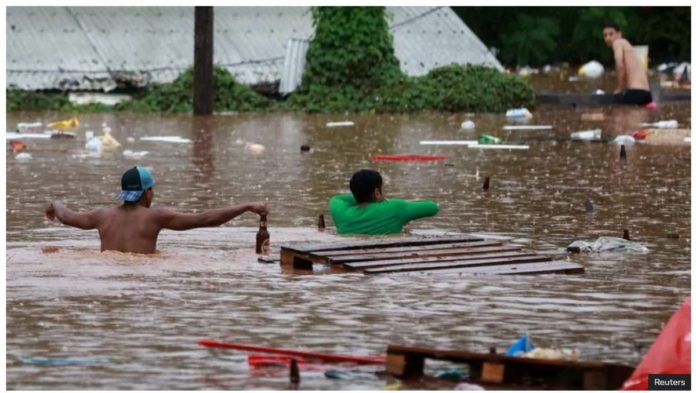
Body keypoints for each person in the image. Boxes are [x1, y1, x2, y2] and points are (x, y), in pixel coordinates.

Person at [45, 166, 268, 254]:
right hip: (144, 274)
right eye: (151, 190)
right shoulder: (156, 217)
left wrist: (54, 203)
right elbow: (204, 219)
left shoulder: (102, 216)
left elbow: (65, 216)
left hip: (107, 271)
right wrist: (247, 206)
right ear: (146, 192)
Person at [329, 169, 439, 235]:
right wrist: (384, 200)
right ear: (377, 192)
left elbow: (337, 198)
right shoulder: (395, 208)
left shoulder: (341, 212)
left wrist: (360, 195)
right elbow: (433, 207)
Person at [602, 23, 652, 105]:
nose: (608, 38)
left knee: (616, 114)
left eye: (611, 34)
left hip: (636, 92)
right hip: (647, 94)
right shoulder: (629, 47)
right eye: (605, 35)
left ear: (619, 34)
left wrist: (620, 89)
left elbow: (620, 65)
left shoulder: (618, 43)